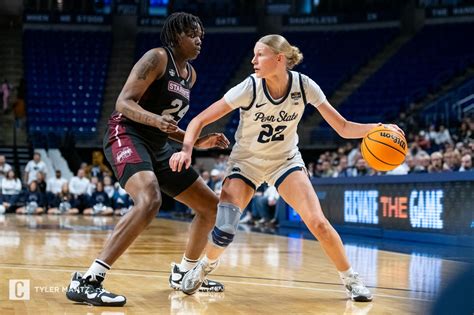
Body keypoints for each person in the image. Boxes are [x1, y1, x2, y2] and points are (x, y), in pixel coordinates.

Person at [170, 34, 404, 302]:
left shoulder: (304, 86)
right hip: (246, 162)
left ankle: (351, 279)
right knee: (225, 227)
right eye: (254, 54)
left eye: (260, 55)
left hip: (285, 160)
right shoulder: (249, 87)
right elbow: (199, 120)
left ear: (279, 59)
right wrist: (187, 149)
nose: (253, 60)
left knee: (318, 222)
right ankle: (205, 267)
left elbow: (342, 127)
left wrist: (378, 128)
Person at [66, 12, 230, 307]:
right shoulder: (156, 57)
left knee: (209, 206)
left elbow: (167, 124)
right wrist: (155, 121)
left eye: (201, 36)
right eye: (193, 33)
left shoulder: (190, 75)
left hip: (158, 144)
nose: (199, 40)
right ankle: (88, 280)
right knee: (150, 199)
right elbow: (123, 102)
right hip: (126, 134)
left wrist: (196, 141)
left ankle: (183, 273)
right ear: (176, 35)